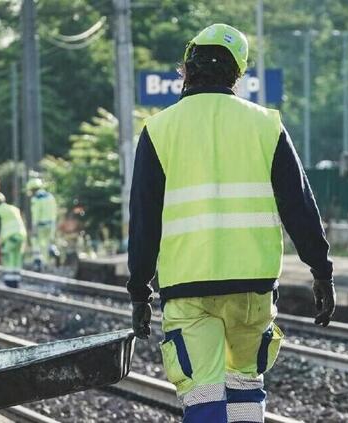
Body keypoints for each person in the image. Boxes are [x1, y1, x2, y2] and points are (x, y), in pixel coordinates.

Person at [127, 24, 335, 423]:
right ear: (238, 73)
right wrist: (321, 271)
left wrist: (140, 290)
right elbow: (299, 206)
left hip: (188, 288)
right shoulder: (265, 124)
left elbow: (144, 219)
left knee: (203, 394)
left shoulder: (160, 129)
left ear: (186, 68)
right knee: (243, 388)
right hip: (252, 289)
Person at [0, 193, 27, 288]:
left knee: (7, 257)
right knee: (16, 257)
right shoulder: (13, 208)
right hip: (21, 235)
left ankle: (9, 282)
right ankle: (16, 281)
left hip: (10, 237)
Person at [26, 178, 57, 271]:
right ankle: (47, 263)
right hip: (51, 224)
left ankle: (38, 261)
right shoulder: (50, 197)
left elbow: (36, 214)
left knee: (36, 242)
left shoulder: (36, 199)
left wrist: (34, 227)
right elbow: (54, 211)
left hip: (40, 225)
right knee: (47, 244)